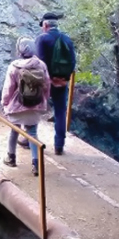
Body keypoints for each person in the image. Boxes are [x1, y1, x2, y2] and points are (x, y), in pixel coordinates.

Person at [0, 36, 50, 176]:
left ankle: (11, 157)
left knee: (14, 131)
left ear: (19, 49)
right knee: (32, 134)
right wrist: (44, 101)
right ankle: (36, 164)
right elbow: (47, 86)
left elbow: (8, 88)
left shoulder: (14, 66)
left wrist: (5, 103)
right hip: (35, 106)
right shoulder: (41, 65)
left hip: (17, 107)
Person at [36, 12, 77, 155]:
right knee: (60, 112)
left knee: (35, 108)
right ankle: (59, 145)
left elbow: (39, 63)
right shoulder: (66, 39)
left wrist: (48, 79)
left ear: (46, 25)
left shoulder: (42, 39)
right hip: (62, 82)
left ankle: (29, 138)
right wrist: (63, 79)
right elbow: (72, 62)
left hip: (45, 82)